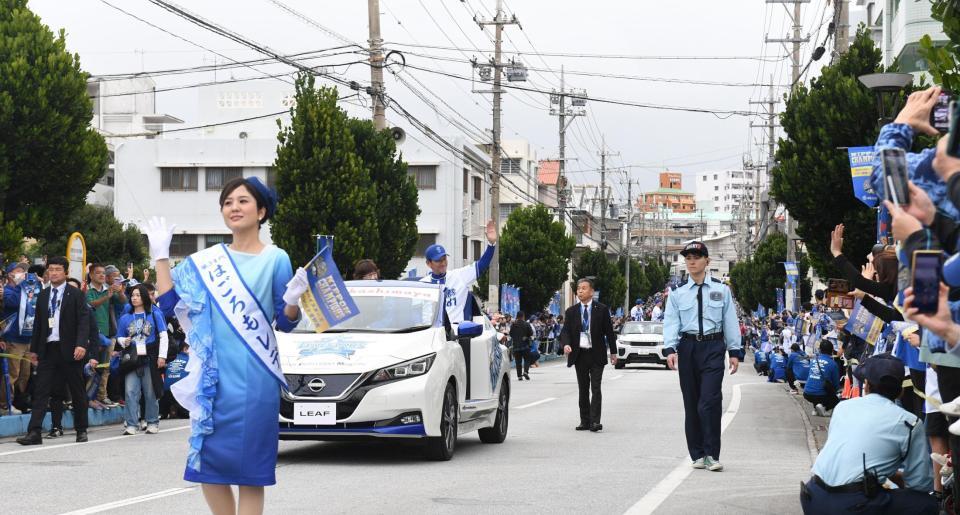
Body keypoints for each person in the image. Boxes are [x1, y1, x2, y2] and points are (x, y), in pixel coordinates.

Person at [148, 176, 304, 515]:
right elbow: (169, 303)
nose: (234, 207)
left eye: (243, 200)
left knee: (251, 474)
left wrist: (293, 299)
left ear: (262, 211)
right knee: (210, 467)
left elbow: (288, 319)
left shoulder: (276, 258)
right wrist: (160, 256)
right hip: (213, 381)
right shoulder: (207, 262)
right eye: (228, 201)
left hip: (255, 379)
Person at [800, 354, 936, 514]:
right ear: (900, 391)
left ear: (866, 385)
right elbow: (920, 484)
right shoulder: (910, 422)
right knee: (926, 503)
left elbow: (851, 455)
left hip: (813, 497)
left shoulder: (843, 407)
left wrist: (890, 474)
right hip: (851, 505)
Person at [662, 241, 741, 472]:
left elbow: (730, 322)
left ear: (707, 261)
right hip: (688, 348)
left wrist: (734, 352)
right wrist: (670, 349)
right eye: (688, 257)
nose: (692, 261)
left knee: (710, 402)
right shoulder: (677, 293)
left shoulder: (721, 289)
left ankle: (712, 455)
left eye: (697, 256)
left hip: (713, 347)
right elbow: (671, 322)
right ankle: (696, 454)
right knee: (692, 403)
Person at [16, 256, 95, 445]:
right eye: (50, 269)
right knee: (41, 391)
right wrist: (34, 350)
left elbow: (84, 321)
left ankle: (81, 429)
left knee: (77, 391)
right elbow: (39, 324)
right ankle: (34, 432)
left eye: (58, 270)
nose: (53, 273)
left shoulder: (75, 294)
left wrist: (81, 344)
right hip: (48, 349)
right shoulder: (43, 295)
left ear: (66, 272)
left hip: (70, 349)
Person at [560, 278, 618, 432]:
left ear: (592, 291)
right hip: (580, 354)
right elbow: (565, 331)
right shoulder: (571, 311)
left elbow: (609, 332)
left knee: (596, 388)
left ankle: (595, 422)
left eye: (584, 288)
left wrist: (613, 352)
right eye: (578, 288)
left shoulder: (602, 309)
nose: (580, 291)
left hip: (596, 354)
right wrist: (566, 344)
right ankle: (584, 421)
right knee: (583, 389)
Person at [420, 220, 497, 324]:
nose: (443, 263)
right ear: (428, 263)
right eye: (438, 260)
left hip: (454, 333)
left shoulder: (459, 276)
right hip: (429, 333)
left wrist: (491, 244)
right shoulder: (422, 285)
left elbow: (481, 265)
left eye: (444, 259)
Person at [116, 284, 168, 435]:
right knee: (130, 391)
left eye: (138, 295)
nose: (134, 298)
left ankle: (152, 422)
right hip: (132, 358)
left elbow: (164, 336)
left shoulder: (154, 314)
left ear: (144, 297)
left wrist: (162, 356)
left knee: (150, 391)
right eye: (132, 295)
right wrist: (122, 341)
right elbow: (118, 336)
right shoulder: (125, 317)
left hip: (150, 356)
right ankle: (131, 424)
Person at [85, 262, 125, 410]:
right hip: (92, 335)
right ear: (91, 275)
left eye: (103, 273)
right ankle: (89, 397)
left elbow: (123, 303)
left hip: (108, 334)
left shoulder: (108, 289)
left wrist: (120, 291)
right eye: (98, 273)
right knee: (91, 367)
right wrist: (107, 296)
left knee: (106, 368)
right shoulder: (87, 290)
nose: (101, 275)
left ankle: (102, 396)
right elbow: (91, 304)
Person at [1, 262, 33, 413]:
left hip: (27, 337)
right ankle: (5, 403)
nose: (23, 273)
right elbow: (13, 302)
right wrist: (23, 286)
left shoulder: (28, 290)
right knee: (12, 373)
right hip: (13, 338)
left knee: (25, 374)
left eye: (24, 271)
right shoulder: (7, 291)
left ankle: (19, 401)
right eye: (19, 271)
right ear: (10, 274)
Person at [804, 340, 841, 417]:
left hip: (807, 393)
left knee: (818, 384)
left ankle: (816, 408)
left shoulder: (813, 360)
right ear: (832, 351)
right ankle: (824, 407)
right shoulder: (833, 364)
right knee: (836, 398)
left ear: (820, 350)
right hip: (821, 395)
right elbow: (836, 385)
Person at [510, 311, 534, 381]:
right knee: (527, 359)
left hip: (516, 346)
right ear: (523, 316)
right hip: (525, 345)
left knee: (518, 361)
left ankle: (519, 376)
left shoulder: (513, 325)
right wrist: (526, 336)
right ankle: (525, 371)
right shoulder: (526, 324)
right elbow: (531, 333)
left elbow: (511, 334)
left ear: (517, 316)